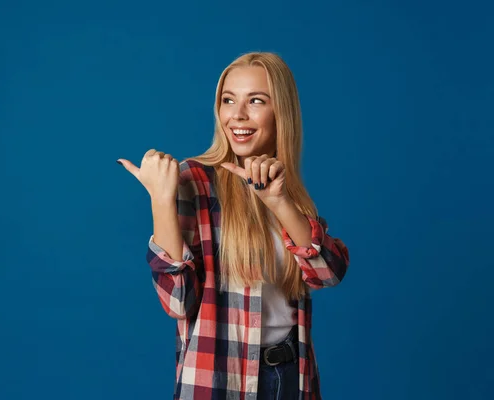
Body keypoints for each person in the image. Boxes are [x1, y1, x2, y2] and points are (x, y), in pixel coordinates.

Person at [117, 52, 350, 400]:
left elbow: (327, 274)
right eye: (228, 100)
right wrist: (161, 201)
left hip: (291, 379)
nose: (237, 115)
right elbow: (178, 303)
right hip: (218, 381)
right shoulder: (193, 181)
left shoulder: (286, 190)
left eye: (255, 100)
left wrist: (280, 202)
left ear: (281, 111)